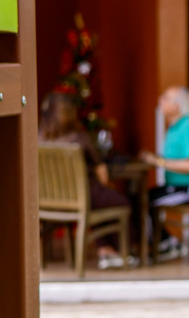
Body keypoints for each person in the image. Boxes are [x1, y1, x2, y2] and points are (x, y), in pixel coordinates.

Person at [39, 92, 134, 269]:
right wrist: (108, 185)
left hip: (48, 203)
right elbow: (102, 173)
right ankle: (120, 252)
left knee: (102, 201)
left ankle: (105, 250)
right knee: (120, 202)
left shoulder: (38, 140)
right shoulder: (79, 139)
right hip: (84, 196)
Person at [143, 87, 189, 260]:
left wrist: (159, 162)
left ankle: (167, 244)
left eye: (165, 98)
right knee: (143, 197)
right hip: (177, 186)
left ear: (177, 106)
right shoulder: (175, 127)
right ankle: (166, 243)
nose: (160, 100)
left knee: (144, 201)